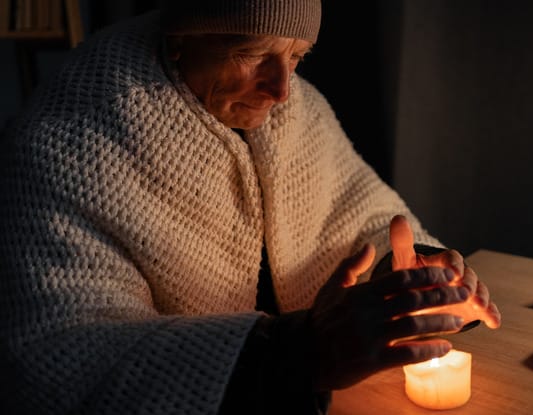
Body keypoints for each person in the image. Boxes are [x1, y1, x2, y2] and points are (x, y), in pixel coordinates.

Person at [0, 1, 501, 414]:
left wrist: (412, 269)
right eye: (250, 51)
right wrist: (294, 355)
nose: (282, 90)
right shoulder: (66, 148)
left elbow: (366, 219)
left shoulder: (300, 110)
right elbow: (58, 365)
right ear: (180, 40)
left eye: (298, 56)